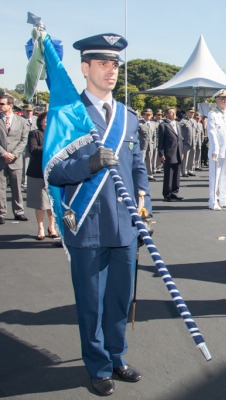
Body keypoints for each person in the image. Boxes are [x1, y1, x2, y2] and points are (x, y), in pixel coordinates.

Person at [47, 33, 151, 396]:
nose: (112, 70)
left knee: (120, 300)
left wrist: (144, 204)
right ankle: (98, 366)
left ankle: (116, 355)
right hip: (88, 224)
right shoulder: (67, 116)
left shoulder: (127, 116)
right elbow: (53, 173)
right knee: (91, 302)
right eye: (104, 63)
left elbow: (138, 166)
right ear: (85, 67)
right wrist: (88, 163)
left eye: (115, 64)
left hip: (124, 223)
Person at [25, 112, 60, 240]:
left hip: (53, 172)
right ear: (40, 121)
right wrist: (50, 147)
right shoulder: (34, 133)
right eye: (46, 119)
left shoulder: (56, 134)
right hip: (37, 172)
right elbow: (33, 150)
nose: (48, 121)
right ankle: (40, 227)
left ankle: (51, 227)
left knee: (52, 202)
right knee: (40, 203)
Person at [0, 93, 29, 224]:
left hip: (16, 159)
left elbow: (24, 140)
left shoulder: (22, 121)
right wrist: (4, 153)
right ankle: (1, 213)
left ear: (10, 105)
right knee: (0, 187)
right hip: (1, 158)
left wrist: (14, 154)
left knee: (17, 186)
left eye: (2, 104)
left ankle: (19, 212)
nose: (0, 106)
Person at [207, 89, 226, 210]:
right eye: (222, 98)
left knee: (225, 175)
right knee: (215, 176)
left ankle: (224, 198)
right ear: (217, 100)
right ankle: (213, 200)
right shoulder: (212, 114)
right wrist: (215, 149)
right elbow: (212, 132)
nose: (225, 100)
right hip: (217, 150)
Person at [158, 107, 184, 201]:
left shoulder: (178, 124)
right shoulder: (163, 125)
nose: (174, 114)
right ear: (167, 115)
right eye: (171, 113)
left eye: (174, 113)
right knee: (169, 174)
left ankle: (174, 192)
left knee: (176, 173)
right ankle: (167, 193)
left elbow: (180, 139)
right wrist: (161, 154)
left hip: (178, 152)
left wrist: (182, 151)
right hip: (168, 152)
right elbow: (160, 141)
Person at [21, 104, 37, 192]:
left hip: (35, 146)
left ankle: (33, 183)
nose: (29, 113)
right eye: (27, 111)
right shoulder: (20, 120)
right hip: (25, 146)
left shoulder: (35, 119)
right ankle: (25, 184)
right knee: (25, 165)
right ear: (23, 111)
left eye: (30, 111)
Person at [138, 109, 157, 181]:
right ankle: (141, 175)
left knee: (150, 160)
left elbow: (154, 135)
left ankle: (150, 174)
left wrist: (154, 144)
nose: (148, 116)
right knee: (142, 160)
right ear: (143, 115)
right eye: (147, 114)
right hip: (142, 145)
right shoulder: (140, 124)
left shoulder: (153, 124)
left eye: (150, 114)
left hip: (151, 144)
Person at [179, 108, 198, 177]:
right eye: (190, 113)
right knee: (185, 157)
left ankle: (190, 170)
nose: (192, 114)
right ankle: (184, 171)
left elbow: (196, 132)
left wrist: (196, 139)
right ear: (187, 113)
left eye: (193, 113)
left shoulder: (194, 121)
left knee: (192, 156)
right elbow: (179, 130)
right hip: (186, 142)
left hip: (193, 142)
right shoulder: (183, 121)